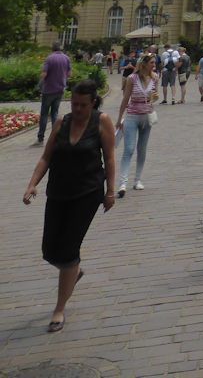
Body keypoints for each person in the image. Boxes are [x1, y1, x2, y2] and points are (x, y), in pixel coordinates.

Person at [22, 78, 116, 331]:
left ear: (93, 103)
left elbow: (109, 157)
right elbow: (46, 157)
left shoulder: (102, 121)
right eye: (73, 104)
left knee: (68, 249)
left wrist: (110, 192)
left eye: (81, 105)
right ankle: (73, 272)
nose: (76, 109)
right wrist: (32, 184)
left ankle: (59, 308)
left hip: (87, 193)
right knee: (49, 250)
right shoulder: (62, 123)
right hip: (58, 192)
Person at [114, 52, 158, 195]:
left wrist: (155, 98)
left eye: (154, 62)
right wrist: (119, 118)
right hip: (132, 116)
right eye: (151, 62)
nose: (154, 65)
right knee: (129, 149)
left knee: (142, 149)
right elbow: (125, 99)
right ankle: (122, 183)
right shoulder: (132, 79)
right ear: (144, 64)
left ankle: (137, 180)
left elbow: (153, 97)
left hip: (147, 116)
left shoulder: (155, 77)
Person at [36, 41, 72, 146]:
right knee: (55, 113)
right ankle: (56, 136)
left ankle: (41, 138)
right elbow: (69, 74)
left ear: (52, 49)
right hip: (60, 89)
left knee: (44, 114)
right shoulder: (66, 58)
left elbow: (44, 74)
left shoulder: (49, 58)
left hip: (48, 90)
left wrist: (39, 84)